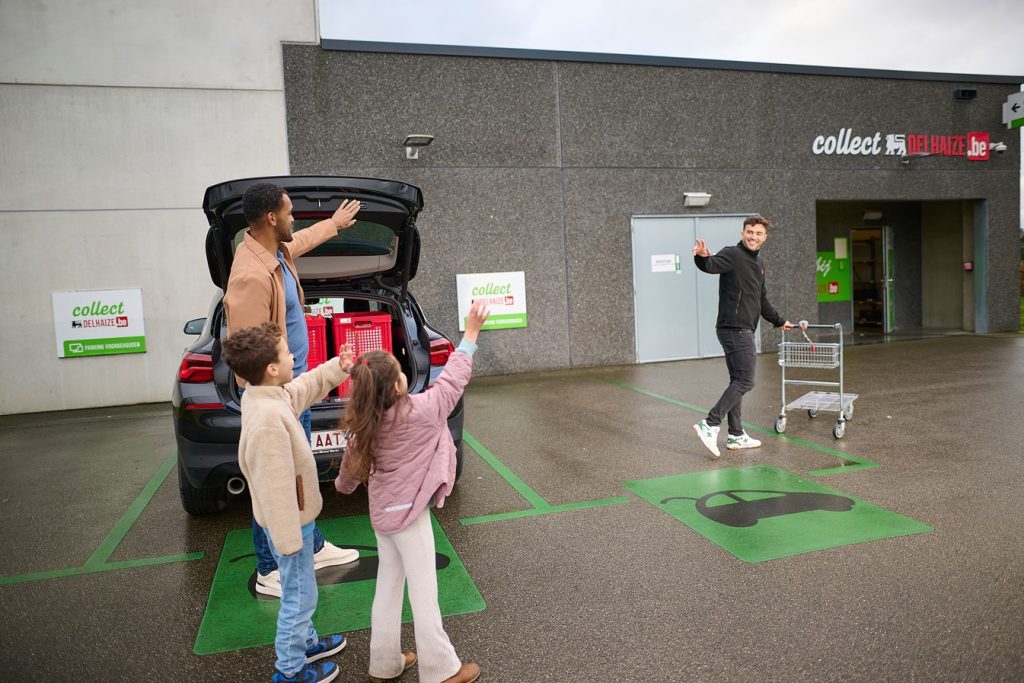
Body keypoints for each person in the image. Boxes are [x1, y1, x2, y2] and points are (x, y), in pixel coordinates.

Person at [335, 301, 490, 683]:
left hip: (383, 519)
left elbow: (348, 475)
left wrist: (342, 487)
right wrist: (471, 333)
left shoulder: (363, 425)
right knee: (424, 593)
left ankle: (384, 664)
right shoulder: (423, 410)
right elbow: (453, 379)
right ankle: (441, 670)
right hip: (411, 518)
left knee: (388, 589)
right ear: (397, 385)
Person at [224, 182, 363, 597]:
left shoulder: (274, 253)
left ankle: (312, 546)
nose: (293, 218)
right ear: (271, 218)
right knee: (275, 484)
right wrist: (273, 397)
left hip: (296, 388)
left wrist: (334, 224)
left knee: (298, 477)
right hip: (279, 395)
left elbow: (298, 241)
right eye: (288, 212)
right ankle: (269, 568)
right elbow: (246, 347)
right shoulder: (250, 276)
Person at [222, 323, 354, 683]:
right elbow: (274, 488)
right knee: (299, 597)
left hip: (294, 521)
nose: (294, 356)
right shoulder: (267, 421)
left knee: (300, 591)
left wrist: (338, 367)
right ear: (271, 369)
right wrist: (289, 541)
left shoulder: (268, 395)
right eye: (286, 353)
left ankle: (307, 643)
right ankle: (290, 669)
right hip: (290, 526)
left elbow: (303, 388)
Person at [692, 214, 794, 459]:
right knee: (746, 381)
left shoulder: (758, 263)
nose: (753, 237)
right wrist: (701, 256)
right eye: (750, 232)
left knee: (737, 380)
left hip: (741, 329)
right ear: (742, 233)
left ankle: (736, 434)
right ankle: (710, 423)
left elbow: (761, 299)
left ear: (764, 238)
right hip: (734, 329)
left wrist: (779, 321)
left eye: (758, 233)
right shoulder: (733, 254)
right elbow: (710, 265)